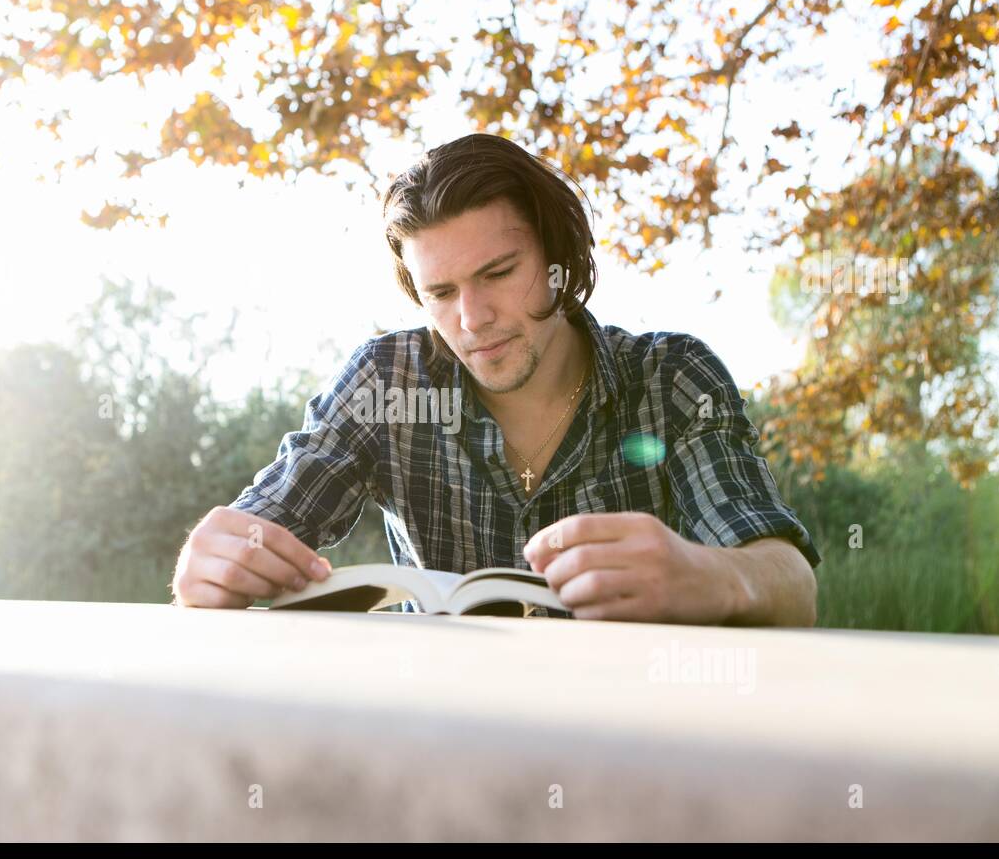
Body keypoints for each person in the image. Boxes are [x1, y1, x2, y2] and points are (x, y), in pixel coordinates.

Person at [171, 133, 821, 625]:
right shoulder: (386, 381)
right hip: (441, 749)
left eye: (499, 273)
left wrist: (712, 575)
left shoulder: (670, 376)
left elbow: (791, 582)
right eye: (442, 292)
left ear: (556, 258)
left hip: (637, 748)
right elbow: (255, 531)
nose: (473, 318)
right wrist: (214, 566)